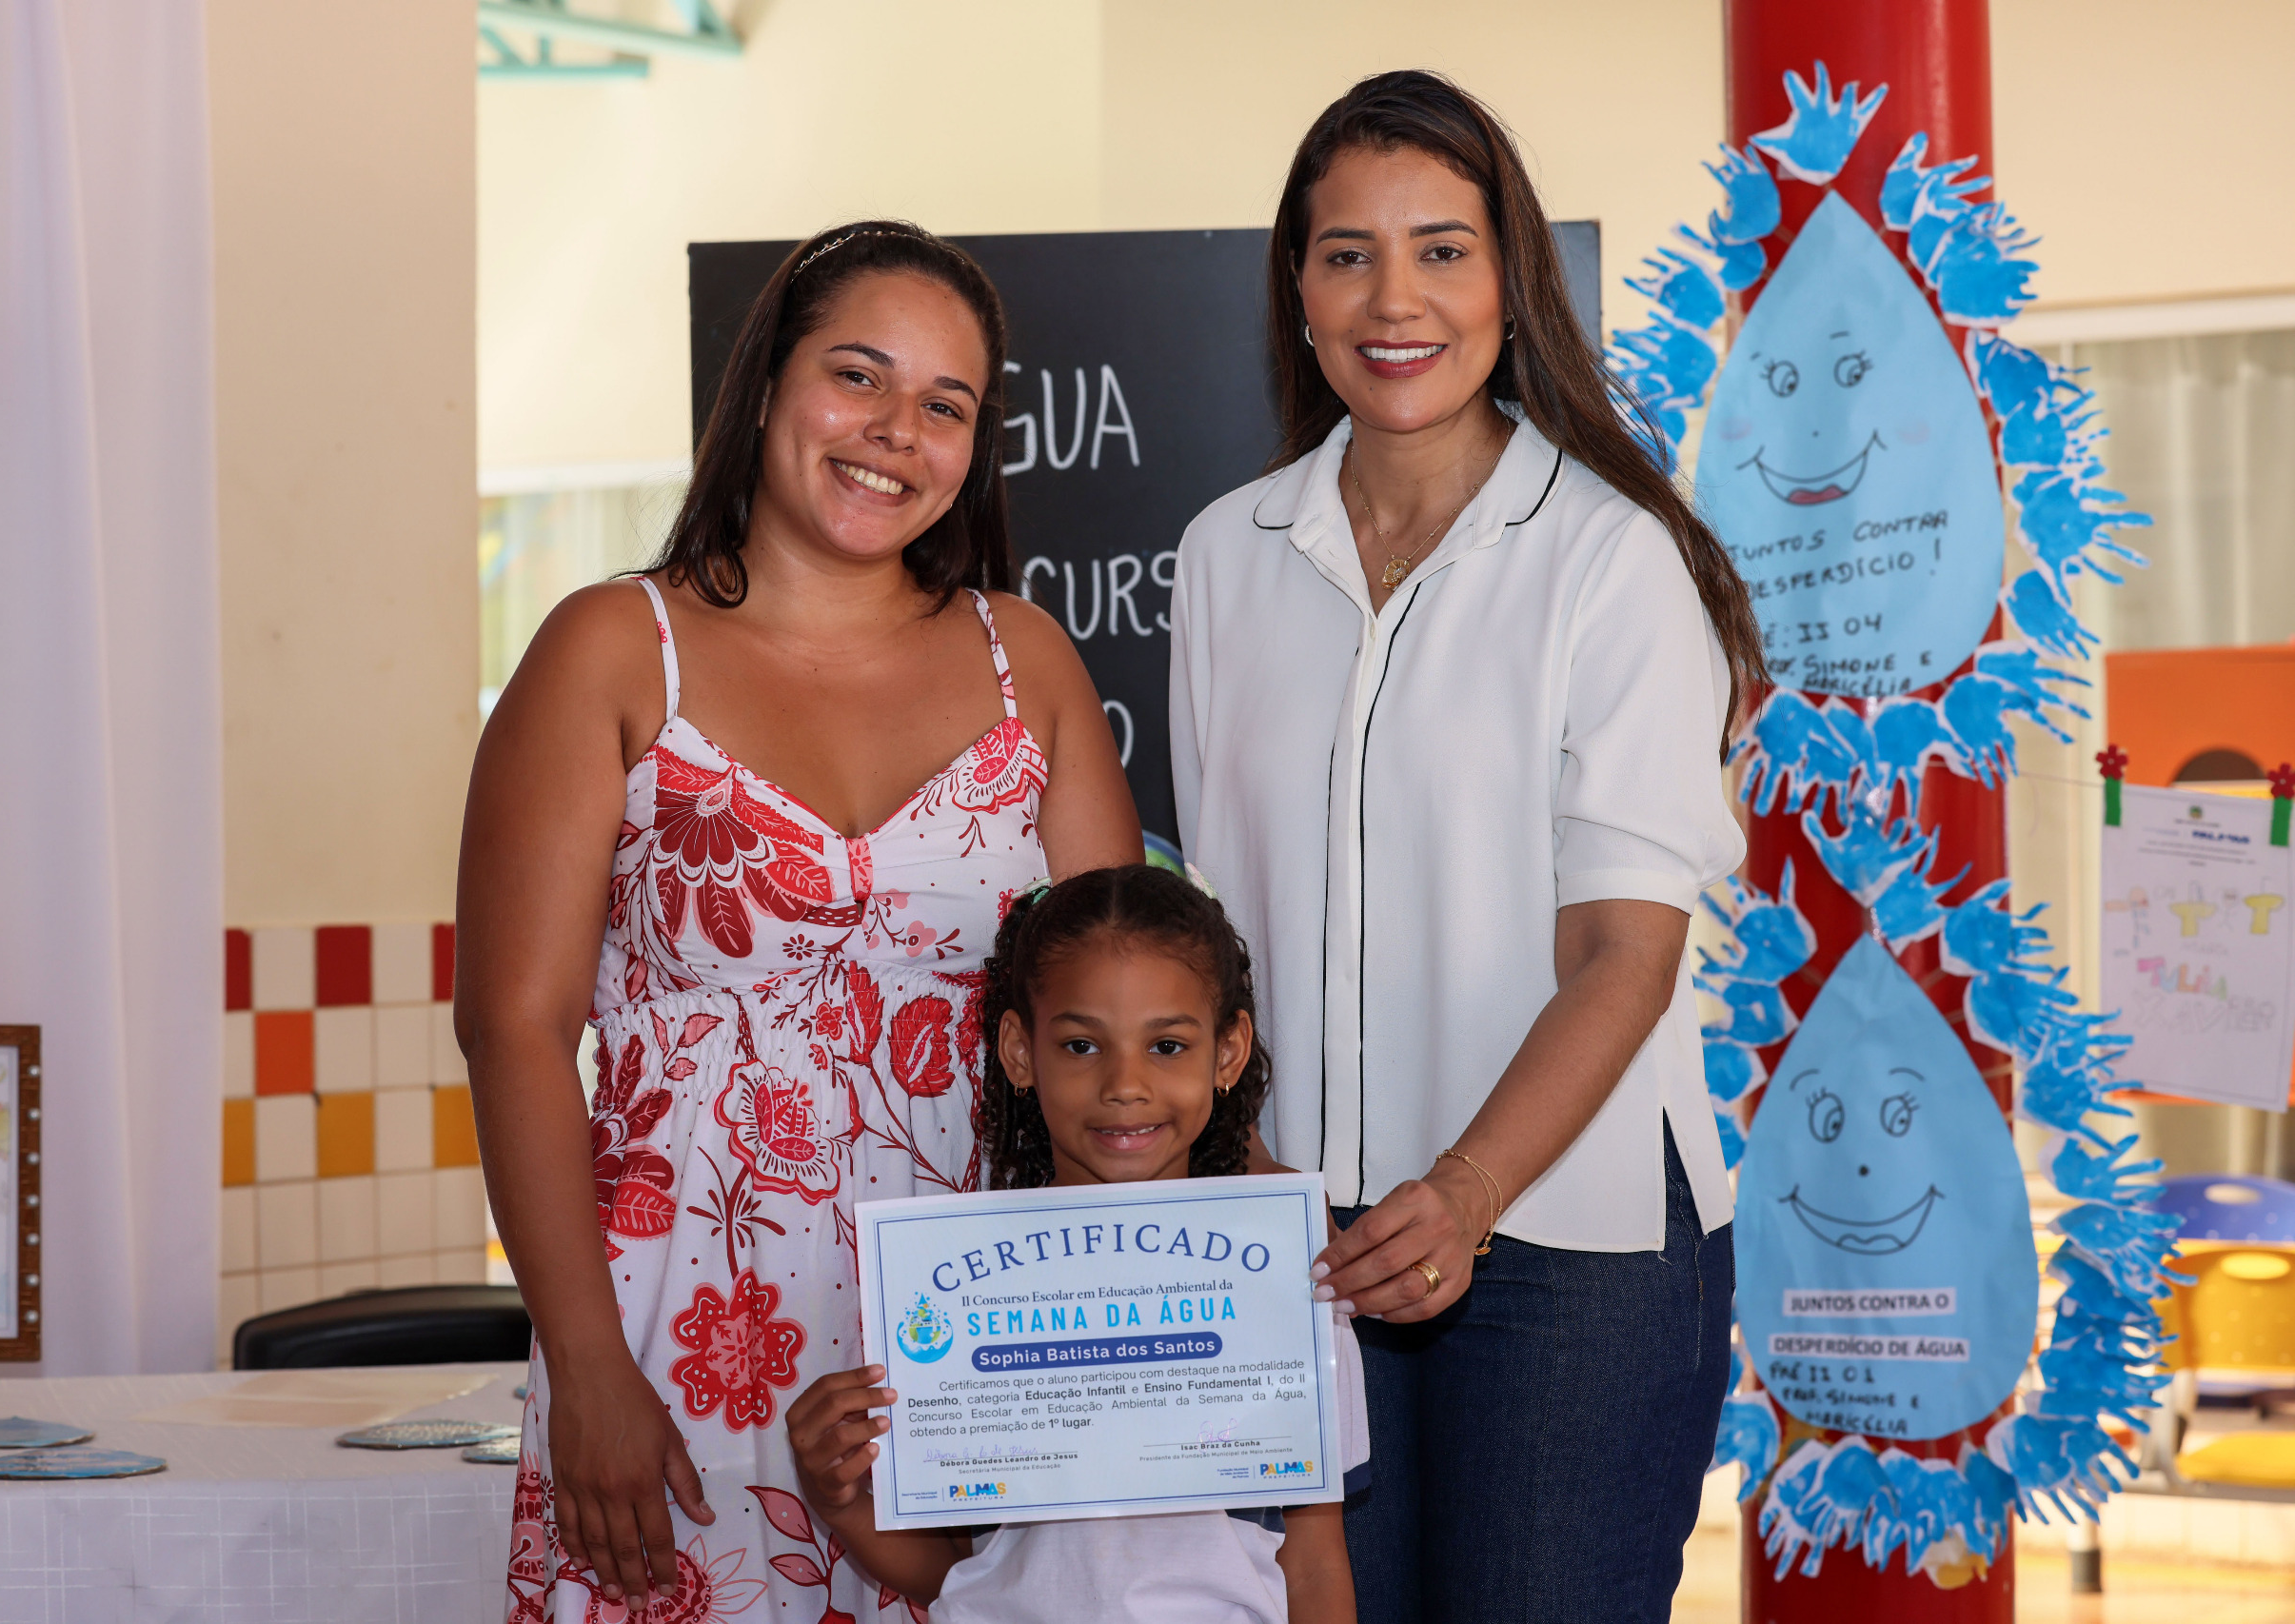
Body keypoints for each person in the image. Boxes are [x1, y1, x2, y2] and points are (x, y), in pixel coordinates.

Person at [456, 220, 1141, 1622]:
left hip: (978, 1339)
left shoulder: (1032, 664)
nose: (897, 431)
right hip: (676, 1328)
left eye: (945, 405)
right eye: (859, 376)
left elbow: (1120, 1015)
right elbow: (513, 1026)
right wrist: (587, 1360)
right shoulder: (609, 645)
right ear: (767, 383)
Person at [1168, 71, 1769, 1622]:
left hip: (1569, 1251)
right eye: (1346, 252)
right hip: (1299, 1249)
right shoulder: (1224, 559)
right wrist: (1236, 1173)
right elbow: (1215, 927)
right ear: (1296, 287)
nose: (1395, 297)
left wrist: (1471, 1186)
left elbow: (1624, 952)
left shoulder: (1612, 558)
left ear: (1511, 280)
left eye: (1443, 248)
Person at [785, 864, 1366, 1623]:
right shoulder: (946, 1286)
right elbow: (957, 1570)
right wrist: (840, 1500)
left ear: (1227, 1053)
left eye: (1166, 1046)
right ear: (1021, 1052)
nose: (1125, 1084)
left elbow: (1316, 1568)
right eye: (1083, 1046)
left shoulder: (1293, 1283)